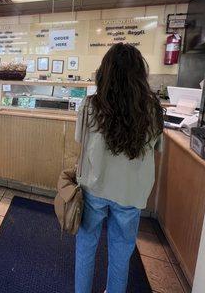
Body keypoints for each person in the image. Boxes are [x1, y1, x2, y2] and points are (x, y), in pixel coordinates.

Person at [75, 43, 164, 293]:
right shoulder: (152, 109)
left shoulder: (91, 105)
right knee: (121, 253)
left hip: (94, 186)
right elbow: (157, 147)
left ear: (105, 71)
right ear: (140, 74)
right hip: (131, 192)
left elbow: (81, 142)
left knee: (85, 246)